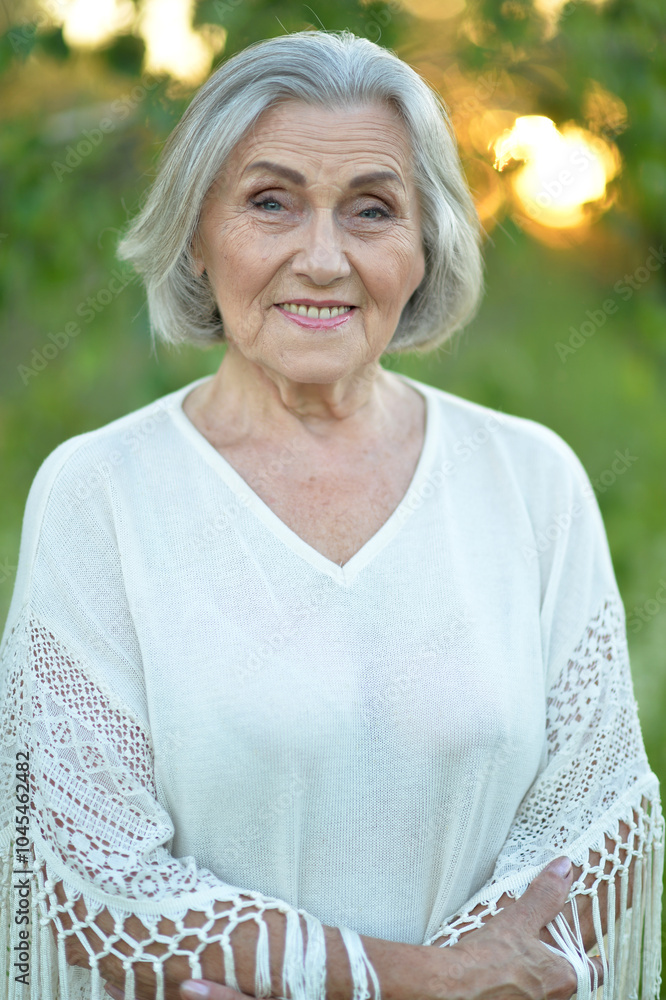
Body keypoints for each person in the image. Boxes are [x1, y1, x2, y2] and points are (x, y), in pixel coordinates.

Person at [0, 28, 662, 1000]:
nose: (322, 258)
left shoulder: (532, 480)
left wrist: (452, 984)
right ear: (196, 235)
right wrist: (426, 983)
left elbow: (594, 823)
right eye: (271, 203)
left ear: (426, 243)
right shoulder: (100, 492)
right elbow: (88, 867)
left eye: (372, 210)